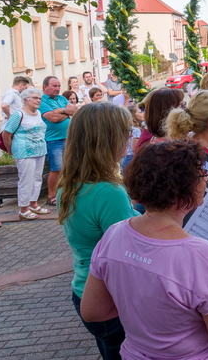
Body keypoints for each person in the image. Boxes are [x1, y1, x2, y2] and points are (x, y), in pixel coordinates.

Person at [80, 140, 208, 359]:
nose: (206, 180)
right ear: (184, 188)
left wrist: (141, 312)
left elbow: (92, 311)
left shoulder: (114, 234)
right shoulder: (200, 254)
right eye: (202, 175)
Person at [57, 103, 138, 359]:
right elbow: (132, 250)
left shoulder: (69, 184)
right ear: (109, 139)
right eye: (126, 132)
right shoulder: (108, 192)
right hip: (110, 300)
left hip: (83, 291)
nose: (130, 138)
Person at [2, 88, 49, 220]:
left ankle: (33, 203)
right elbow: (7, 134)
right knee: (26, 180)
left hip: (40, 150)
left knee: (37, 178)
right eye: (35, 98)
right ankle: (23, 209)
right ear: (25, 100)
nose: (38, 100)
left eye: (39, 98)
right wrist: (10, 150)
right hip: (24, 151)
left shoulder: (38, 113)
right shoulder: (18, 114)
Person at [40, 76, 78, 206]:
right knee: (56, 169)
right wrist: (67, 113)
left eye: (58, 86)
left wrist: (61, 110)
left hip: (68, 139)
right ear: (45, 87)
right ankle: (51, 195)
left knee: (69, 168)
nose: (57, 88)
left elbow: (75, 111)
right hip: (53, 140)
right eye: (54, 86)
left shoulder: (61, 98)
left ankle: (66, 193)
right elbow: (53, 118)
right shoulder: (42, 101)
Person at [121, 105, 143, 172]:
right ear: (133, 115)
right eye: (140, 112)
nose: (143, 114)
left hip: (126, 157)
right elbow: (134, 148)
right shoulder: (136, 130)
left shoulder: (128, 127)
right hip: (130, 157)